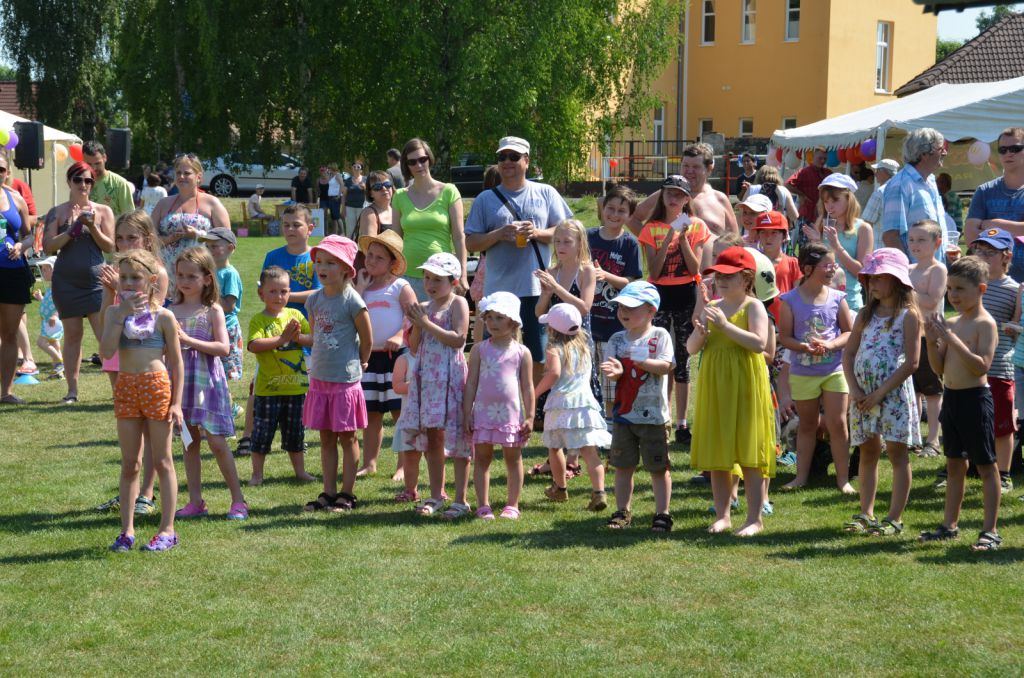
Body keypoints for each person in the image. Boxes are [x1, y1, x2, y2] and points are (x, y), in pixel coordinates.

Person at [465, 135, 573, 382]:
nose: (507, 162)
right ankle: (497, 399)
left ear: (527, 161)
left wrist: (537, 233)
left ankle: (533, 402)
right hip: (498, 290)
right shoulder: (485, 199)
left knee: (538, 354)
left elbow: (566, 232)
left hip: (535, 288)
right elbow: (471, 242)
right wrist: (498, 234)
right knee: (494, 352)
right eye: (502, 157)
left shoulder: (545, 192)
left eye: (513, 157)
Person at [99, 249, 183, 552]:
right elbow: (106, 352)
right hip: (126, 386)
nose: (128, 283)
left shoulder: (164, 316)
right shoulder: (114, 313)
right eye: (123, 277)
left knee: (162, 460)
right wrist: (120, 315)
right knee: (130, 463)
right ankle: (127, 530)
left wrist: (176, 403)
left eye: (135, 277)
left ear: (151, 280)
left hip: (156, 387)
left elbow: (176, 363)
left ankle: (167, 529)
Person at [687, 247, 774, 536]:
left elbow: (759, 343)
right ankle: (723, 515)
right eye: (718, 276)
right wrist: (700, 334)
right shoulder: (712, 306)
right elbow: (691, 348)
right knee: (718, 452)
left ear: (746, 278)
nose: (721, 280)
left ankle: (754, 519)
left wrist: (725, 326)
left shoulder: (753, 306)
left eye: (728, 276)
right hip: (716, 384)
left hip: (746, 383)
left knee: (749, 452)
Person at [921, 256, 1002, 551]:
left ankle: (990, 530)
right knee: (954, 463)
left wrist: (951, 339)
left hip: (975, 400)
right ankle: (949, 525)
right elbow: (939, 368)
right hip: (952, 399)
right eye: (950, 289)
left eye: (960, 289)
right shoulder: (952, 322)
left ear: (981, 289)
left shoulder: (985, 324)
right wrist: (932, 341)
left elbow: (981, 366)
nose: (953, 295)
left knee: (986, 465)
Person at [842, 248, 921, 537]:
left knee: (897, 453)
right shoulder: (865, 314)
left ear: (896, 280)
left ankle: (894, 517)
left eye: (878, 277)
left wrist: (879, 393)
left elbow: (912, 362)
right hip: (862, 396)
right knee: (867, 450)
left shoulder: (908, 316)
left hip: (893, 395)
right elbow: (849, 354)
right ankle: (866, 512)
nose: (871, 283)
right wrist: (854, 389)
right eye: (869, 278)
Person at [95, 210, 169, 515]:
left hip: (146, 357)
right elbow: (104, 317)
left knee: (151, 429)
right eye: (120, 238)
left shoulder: (156, 273)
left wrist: (120, 292)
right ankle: (131, 488)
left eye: (132, 238)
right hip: (117, 350)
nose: (125, 244)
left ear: (147, 240)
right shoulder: (118, 272)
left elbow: (151, 314)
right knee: (129, 424)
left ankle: (147, 493)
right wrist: (111, 292)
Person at [235, 204, 322, 457]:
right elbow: (264, 288)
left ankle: (295, 437)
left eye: (296, 224)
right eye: (286, 225)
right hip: (272, 329)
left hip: (303, 331)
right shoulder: (273, 256)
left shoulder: (316, 257)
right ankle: (248, 436)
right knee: (260, 385)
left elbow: (318, 292)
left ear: (310, 228)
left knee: (300, 387)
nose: (290, 229)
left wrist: (284, 296)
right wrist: (279, 298)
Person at [171, 247, 248, 521]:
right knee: (189, 443)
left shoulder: (212, 309)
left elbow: (223, 348)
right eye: (180, 275)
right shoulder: (170, 310)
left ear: (206, 278)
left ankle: (238, 500)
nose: (184, 281)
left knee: (216, 442)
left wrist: (188, 341)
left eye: (191, 276)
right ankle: (195, 501)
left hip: (208, 384)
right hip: (181, 385)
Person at [394, 253, 470, 518]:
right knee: (433, 437)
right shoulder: (423, 307)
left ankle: (461, 499)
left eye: (438, 279)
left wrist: (425, 323)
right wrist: (417, 324)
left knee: (458, 436)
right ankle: (436, 495)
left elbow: (458, 339)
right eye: (427, 278)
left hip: (450, 379)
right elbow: (414, 347)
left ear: (453, 281)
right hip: (427, 380)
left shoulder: (458, 303)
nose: (430, 284)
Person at [637, 175, 710, 443]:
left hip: (686, 294)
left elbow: (694, 269)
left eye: (679, 194)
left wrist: (683, 240)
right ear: (662, 195)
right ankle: (661, 417)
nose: (673, 198)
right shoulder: (651, 228)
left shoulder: (697, 225)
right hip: (659, 295)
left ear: (687, 199)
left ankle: (681, 424)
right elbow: (654, 272)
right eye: (669, 192)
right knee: (660, 356)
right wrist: (669, 236)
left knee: (682, 358)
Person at [778, 242, 855, 493]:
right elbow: (784, 337)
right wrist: (804, 347)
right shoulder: (789, 300)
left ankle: (843, 480)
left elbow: (849, 333)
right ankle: (801, 477)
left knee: (838, 424)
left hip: (834, 370)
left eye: (834, 265)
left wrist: (830, 345)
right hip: (803, 373)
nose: (833, 269)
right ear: (808, 268)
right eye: (827, 265)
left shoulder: (838, 298)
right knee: (807, 425)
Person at [302, 235, 371, 512]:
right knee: (326, 438)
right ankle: (328, 492)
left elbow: (366, 337)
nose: (322, 267)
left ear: (345, 269)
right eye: (319, 261)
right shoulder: (314, 300)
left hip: (344, 381)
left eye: (331, 262)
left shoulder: (352, 301)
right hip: (320, 379)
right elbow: (316, 335)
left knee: (347, 437)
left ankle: (347, 493)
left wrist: (363, 361)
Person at [599, 281, 675, 531]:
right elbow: (613, 373)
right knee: (623, 467)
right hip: (624, 416)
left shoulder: (659, 336)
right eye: (621, 307)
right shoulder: (616, 340)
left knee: (658, 468)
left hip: (654, 418)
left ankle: (662, 514)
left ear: (651, 310)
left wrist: (643, 363)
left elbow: (666, 366)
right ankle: (622, 512)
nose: (623, 312)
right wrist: (616, 373)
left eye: (631, 307)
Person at [42, 161, 116, 404]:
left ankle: (118, 390)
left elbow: (110, 246)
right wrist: (72, 229)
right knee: (72, 336)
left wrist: (92, 226)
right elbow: (48, 246)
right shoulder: (57, 212)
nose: (83, 184)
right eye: (78, 179)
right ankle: (72, 391)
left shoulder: (103, 211)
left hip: (96, 282)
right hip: (66, 283)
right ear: (69, 181)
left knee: (105, 336)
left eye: (88, 180)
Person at [463, 292, 534, 520]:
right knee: (482, 458)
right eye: (489, 317)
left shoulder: (522, 352)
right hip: (483, 413)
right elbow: (471, 383)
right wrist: (467, 412)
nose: (493, 323)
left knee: (513, 459)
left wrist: (530, 416)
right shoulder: (479, 349)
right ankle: (483, 505)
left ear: (513, 322)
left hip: (510, 415)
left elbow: (527, 387)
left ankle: (512, 505)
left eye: (499, 318)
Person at [353, 229, 416, 479]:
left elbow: (413, 318)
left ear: (393, 263)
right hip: (369, 358)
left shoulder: (400, 286)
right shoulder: (363, 287)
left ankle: (403, 465)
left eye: (379, 257)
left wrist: (400, 335)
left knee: (399, 412)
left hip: (396, 359)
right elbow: (351, 311)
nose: (371, 260)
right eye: (370, 255)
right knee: (371, 413)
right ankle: (370, 463)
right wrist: (360, 287)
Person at [535, 303, 610, 510]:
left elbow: (554, 373)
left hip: (560, 404)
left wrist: (535, 392)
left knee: (555, 447)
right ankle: (599, 492)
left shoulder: (553, 348)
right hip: (584, 405)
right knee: (590, 451)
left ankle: (560, 488)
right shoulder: (585, 347)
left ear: (552, 328)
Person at [246, 266, 316, 486]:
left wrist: (298, 337)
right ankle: (257, 474)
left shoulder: (295, 315)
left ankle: (300, 472)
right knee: (262, 434)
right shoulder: (258, 320)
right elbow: (254, 345)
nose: (279, 296)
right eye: (273, 291)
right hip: (268, 390)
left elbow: (312, 339)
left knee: (296, 434)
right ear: (261, 294)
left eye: (284, 291)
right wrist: (282, 339)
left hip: (296, 388)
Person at [628, 143, 738, 265]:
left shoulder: (720, 199)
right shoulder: (667, 195)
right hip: (676, 272)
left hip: (716, 273)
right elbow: (632, 217)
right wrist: (653, 242)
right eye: (685, 166)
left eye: (696, 167)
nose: (689, 171)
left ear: (708, 169)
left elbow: (735, 240)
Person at [969, 228, 1018, 494]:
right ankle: (969, 466)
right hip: (969, 365)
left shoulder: (1014, 290)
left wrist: (1013, 328)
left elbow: (1017, 324)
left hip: (1000, 366)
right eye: (979, 250)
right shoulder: (970, 284)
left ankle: (1004, 473)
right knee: (971, 420)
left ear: (1006, 256)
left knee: (1002, 424)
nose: (982, 256)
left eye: (990, 252)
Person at [588, 185, 642, 416]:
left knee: (611, 386)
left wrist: (606, 275)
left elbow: (631, 283)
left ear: (629, 215)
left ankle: (611, 427)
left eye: (622, 211)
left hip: (614, 327)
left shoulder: (630, 243)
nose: (614, 214)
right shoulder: (588, 237)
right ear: (603, 208)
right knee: (586, 382)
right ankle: (589, 427)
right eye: (611, 208)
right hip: (586, 324)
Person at [393, 138, 468, 299]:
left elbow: (459, 236)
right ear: (406, 165)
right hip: (407, 276)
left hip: (442, 277)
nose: (418, 165)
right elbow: (395, 240)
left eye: (422, 159)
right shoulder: (399, 196)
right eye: (412, 162)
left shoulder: (449, 191)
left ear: (429, 159)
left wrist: (462, 275)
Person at [149, 154, 231, 301]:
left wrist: (198, 235)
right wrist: (169, 239)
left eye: (187, 173)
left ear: (199, 177)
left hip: (201, 275)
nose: (181, 177)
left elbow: (227, 239)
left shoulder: (212, 203)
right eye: (178, 173)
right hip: (168, 278)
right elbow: (148, 238)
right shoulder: (163, 204)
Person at [908, 220, 948, 458]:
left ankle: (933, 440)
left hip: (929, 337)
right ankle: (913, 437)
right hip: (908, 336)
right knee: (911, 389)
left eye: (922, 240)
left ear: (937, 243)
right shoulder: (908, 269)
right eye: (912, 239)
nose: (915, 244)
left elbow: (932, 301)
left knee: (932, 390)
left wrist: (905, 290)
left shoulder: (938, 269)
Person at [964, 127, 1024, 282]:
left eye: (1015, 148)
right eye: (1003, 150)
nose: (1008, 153)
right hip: (990, 282)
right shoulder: (984, 191)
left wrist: (996, 225)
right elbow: (970, 236)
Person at [809, 174, 873, 314]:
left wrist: (837, 247)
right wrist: (815, 244)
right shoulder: (821, 224)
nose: (830, 206)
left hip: (849, 301)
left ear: (849, 199)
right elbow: (816, 266)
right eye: (826, 201)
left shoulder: (863, 228)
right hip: (821, 300)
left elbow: (862, 273)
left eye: (835, 200)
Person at [880, 128, 946, 260]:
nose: (945, 152)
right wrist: (909, 270)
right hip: (915, 271)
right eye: (940, 149)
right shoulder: (900, 185)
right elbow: (891, 236)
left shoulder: (930, 181)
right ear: (924, 154)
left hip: (935, 268)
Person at [0, 154, 33, 405]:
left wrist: (22, 246)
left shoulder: (16, 198)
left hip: (12, 272)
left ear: (7, 171)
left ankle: (6, 392)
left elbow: (30, 235)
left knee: (9, 334)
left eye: (0, 169)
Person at [200, 227, 244, 383]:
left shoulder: (230, 273)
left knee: (226, 374)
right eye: (207, 246)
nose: (209, 250)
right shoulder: (206, 272)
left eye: (214, 246)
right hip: (209, 326)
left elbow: (229, 306)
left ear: (230, 248)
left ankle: (227, 399)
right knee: (210, 371)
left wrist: (209, 290)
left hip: (227, 329)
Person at [753, 211, 801, 323]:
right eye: (763, 232)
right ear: (758, 235)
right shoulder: (752, 261)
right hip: (757, 320)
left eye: (774, 232)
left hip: (784, 322)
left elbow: (799, 297)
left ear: (784, 236)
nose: (768, 237)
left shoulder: (793, 263)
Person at [83, 140, 135, 217]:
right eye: (89, 164)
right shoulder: (79, 183)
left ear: (105, 158)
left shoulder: (120, 184)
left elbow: (130, 218)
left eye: (97, 163)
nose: (94, 168)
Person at [31, 257, 63, 378]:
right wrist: (41, 298)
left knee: (41, 342)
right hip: (48, 322)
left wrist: (55, 315)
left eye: (45, 270)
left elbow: (62, 304)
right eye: (42, 269)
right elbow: (50, 303)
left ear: (54, 271)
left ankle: (60, 361)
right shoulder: (51, 287)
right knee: (55, 345)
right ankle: (58, 372)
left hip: (53, 322)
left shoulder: (58, 287)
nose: (42, 272)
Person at [785, 146, 832, 228]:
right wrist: (801, 194)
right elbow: (787, 184)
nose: (823, 161)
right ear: (813, 157)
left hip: (823, 215)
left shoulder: (828, 173)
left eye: (825, 159)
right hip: (808, 215)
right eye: (820, 158)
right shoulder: (804, 172)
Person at [860, 159, 900, 247]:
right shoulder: (903, 189)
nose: (875, 174)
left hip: (880, 245)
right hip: (899, 245)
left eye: (877, 170)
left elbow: (867, 222)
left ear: (884, 172)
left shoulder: (880, 192)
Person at [357, 170, 394, 239]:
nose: (384, 188)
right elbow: (370, 244)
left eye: (387, 184)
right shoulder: (368, 213)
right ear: (370, 193)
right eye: (377, 187)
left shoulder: (397, 209)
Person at [341, 162, 366, 237]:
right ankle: (350, 243)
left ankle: (361, 244)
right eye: (354, 167)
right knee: (350, 229)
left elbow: (371, 193)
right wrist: (343, 208)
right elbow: (344, 195)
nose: (356, 168)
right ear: (352, 169)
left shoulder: (365, 179)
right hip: (349, 207)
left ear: (361, 170)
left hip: (362, 207)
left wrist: (365, 188)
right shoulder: (348, 181)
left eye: (358, 167)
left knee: (362, 229)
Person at [326, 163, 344, 235]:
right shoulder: (331, 176)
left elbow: (342, 184)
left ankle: (342, 232)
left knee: (337, 216)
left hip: (335, 197)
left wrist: (339, 195)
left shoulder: (337, 175)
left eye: (329, 168)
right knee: (333, 216)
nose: (328, 170)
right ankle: (335, 232)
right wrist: (328, 175)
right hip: (331, 197)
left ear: (332, 168)